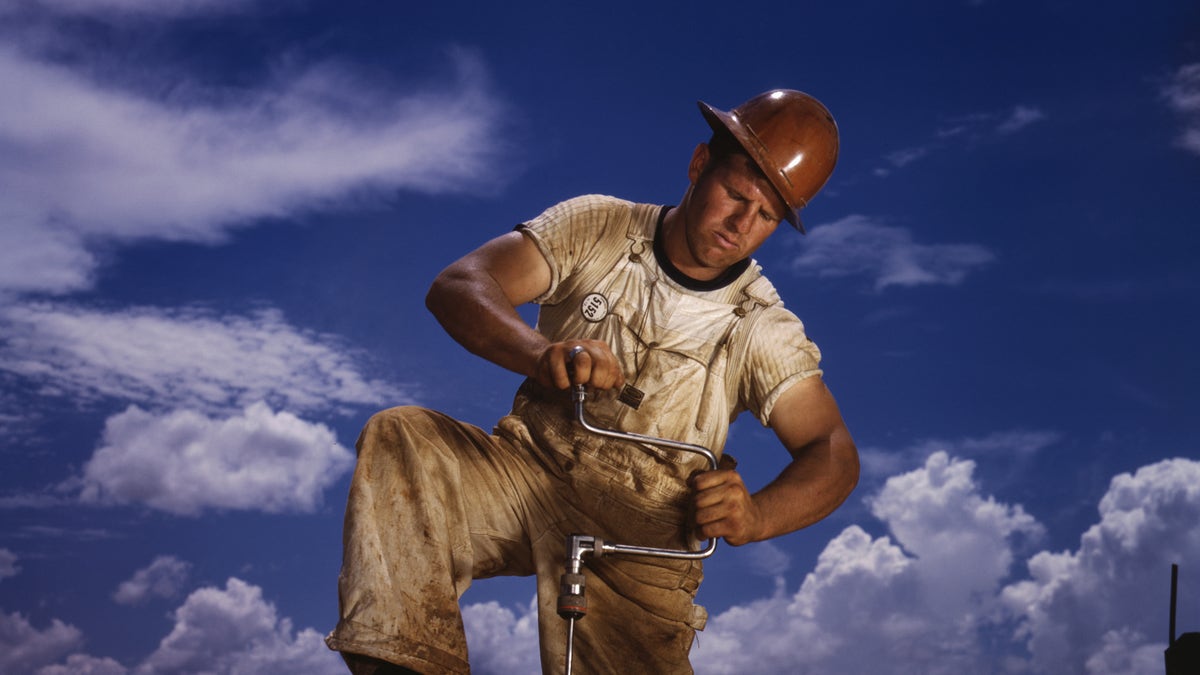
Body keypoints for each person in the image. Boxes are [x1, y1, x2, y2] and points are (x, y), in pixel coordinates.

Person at [325, 89, 861, 675]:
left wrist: (759, 516)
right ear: (699, 165)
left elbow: (831, 452)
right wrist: (541, 353)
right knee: (404, 440)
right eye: (736, 195)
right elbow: (459, 286)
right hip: (528, 472)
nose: (741, 225)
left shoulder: (762, 326)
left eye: (765, 216)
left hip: (646, 535)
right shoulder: (599, 226)